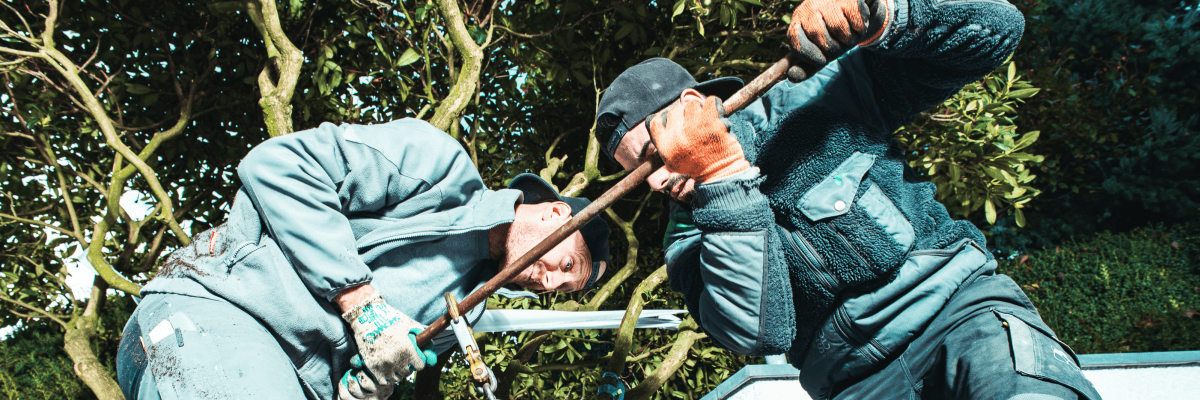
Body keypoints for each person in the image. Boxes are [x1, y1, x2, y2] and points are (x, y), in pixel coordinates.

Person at [594, 0, 1103, 398]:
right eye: (640, 180)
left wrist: (887, 17)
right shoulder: (685, 237)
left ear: (691, 107)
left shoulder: (817, 96)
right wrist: (722, 182)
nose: (657, 183)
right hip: (855, 384)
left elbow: (997, 32)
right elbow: (759, 335)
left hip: (962, 318)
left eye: (654, 158)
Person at [115, 118, 610, 400]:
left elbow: (362, 361)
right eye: (567, 266)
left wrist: (364, 389)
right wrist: (360, 301)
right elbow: (278, 165)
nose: (549, 284)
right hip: (213, 312)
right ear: (554, 213)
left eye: (561, 291)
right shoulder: (438, 168)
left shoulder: (466, 309)